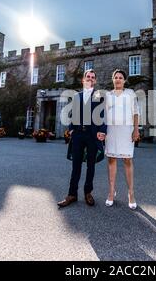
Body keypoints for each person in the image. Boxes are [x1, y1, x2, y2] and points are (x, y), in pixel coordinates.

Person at [57, 69, 106, 208]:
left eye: (92, 77)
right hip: (78, 134)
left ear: (95, 81)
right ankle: (72, 194)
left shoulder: (99, 96)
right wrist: (71, 129)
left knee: (91, 166)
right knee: (75, 166)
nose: (90, 79)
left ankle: (88, 193)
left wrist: (102, 131)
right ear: (83, 80)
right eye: (88, 77)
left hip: (92, 135)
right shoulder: (77, 96)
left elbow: (103, 116)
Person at [104, 69, 140, 210]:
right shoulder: (108, 95)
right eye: (116, 77)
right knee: (111, 159)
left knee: (127, 160)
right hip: (111, 131)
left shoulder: (130, 93)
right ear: (113, 80)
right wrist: (102, 132)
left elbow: (136, 112)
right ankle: (111, 191)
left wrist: (136, 129)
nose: (118, 79)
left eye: (120, 77)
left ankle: (131, 193)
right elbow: (104, 115)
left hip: (127, 130)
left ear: (124, 80)